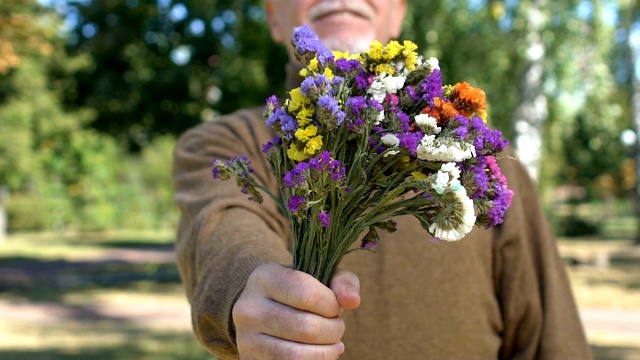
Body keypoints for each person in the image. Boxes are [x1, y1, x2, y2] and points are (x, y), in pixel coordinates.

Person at [172, 0, 593, 358]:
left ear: (398, 14)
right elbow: (222, 226)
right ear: (273, 17)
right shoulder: (228, 143)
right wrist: (253, 285)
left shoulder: (485, 172)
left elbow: (554, 337)